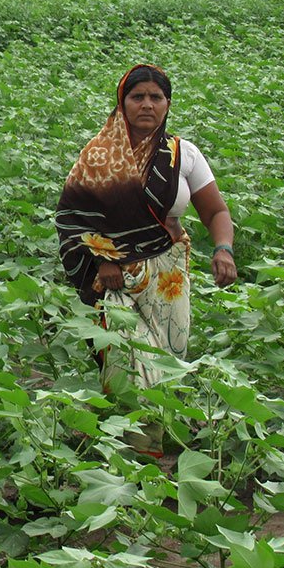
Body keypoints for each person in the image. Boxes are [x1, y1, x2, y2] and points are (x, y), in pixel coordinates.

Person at [54, 64, 236, 457]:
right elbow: (71, 219)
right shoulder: (97, 156)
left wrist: (223, 248)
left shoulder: (182, 155)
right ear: (123, 103)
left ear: (167, 104)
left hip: (169, 276)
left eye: (156, 97)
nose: (147, 105)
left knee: (169, 359)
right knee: (128, 357)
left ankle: (161, 438)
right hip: (115, 277)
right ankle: (134, 452)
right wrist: (102, 259)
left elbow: (216, 213)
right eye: (138, 97)